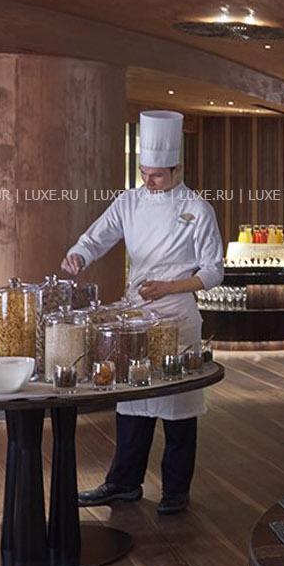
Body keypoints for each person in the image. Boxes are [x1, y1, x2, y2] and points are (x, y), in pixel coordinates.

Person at [68, 111, 224, 515]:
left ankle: (175, 491)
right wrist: (79, 254)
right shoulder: (129, 202)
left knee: (178, 408)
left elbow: (213, 271)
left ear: (177, 169)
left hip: (177, 316)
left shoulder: (197, 208)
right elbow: (98, 236)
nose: (147, 181)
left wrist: (168, 287)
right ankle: (123, 484)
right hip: (136, 314)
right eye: (143, 173)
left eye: (156, 175)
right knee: (132, 401)